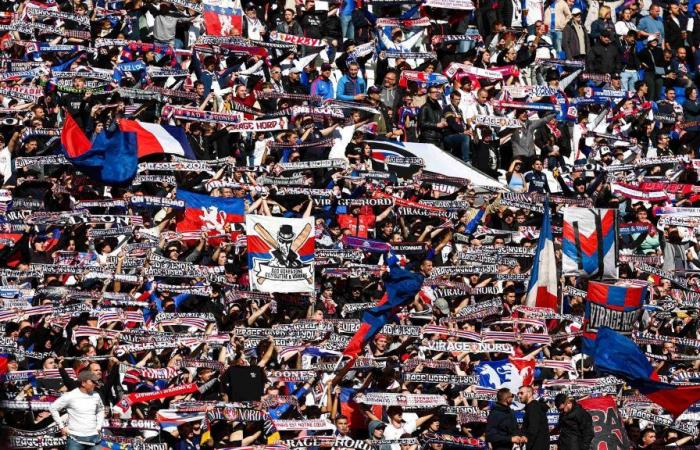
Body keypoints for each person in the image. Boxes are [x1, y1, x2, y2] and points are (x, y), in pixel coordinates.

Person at [49, 371, 105, 450]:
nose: (95, 384)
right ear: (83, 383)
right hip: (75, 439)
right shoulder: (70, 395)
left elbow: (100, 410)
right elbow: (53, 408)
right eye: (92, 381)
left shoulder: (96, 395)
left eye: (96, 382)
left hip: (94, 437)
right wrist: (61, 427)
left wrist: (99, 426)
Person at [517, 385, 549, 450]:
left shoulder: (533, 407)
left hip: (536, 446)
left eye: (521, 393)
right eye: (518, 394)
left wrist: (528, 444)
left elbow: (533, 429)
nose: (519, 396)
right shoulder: (532, 407)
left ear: (529, 393)